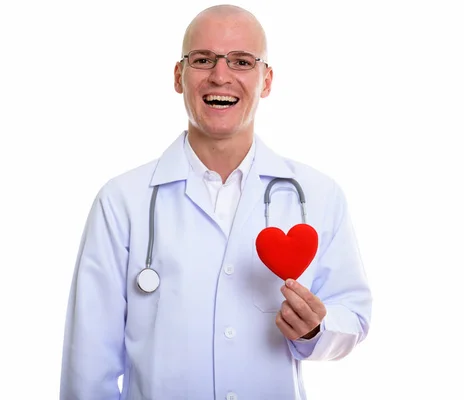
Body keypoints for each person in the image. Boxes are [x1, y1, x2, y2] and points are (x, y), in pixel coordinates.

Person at [60, 4, 372, 399]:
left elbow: (354, 313)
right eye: (203, 60)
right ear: (179, 76)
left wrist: (316, 329)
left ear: (267, 80)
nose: (220, 76)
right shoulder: (121, 201)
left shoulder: (319, 194)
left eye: (241, 61)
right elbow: (88, 365)